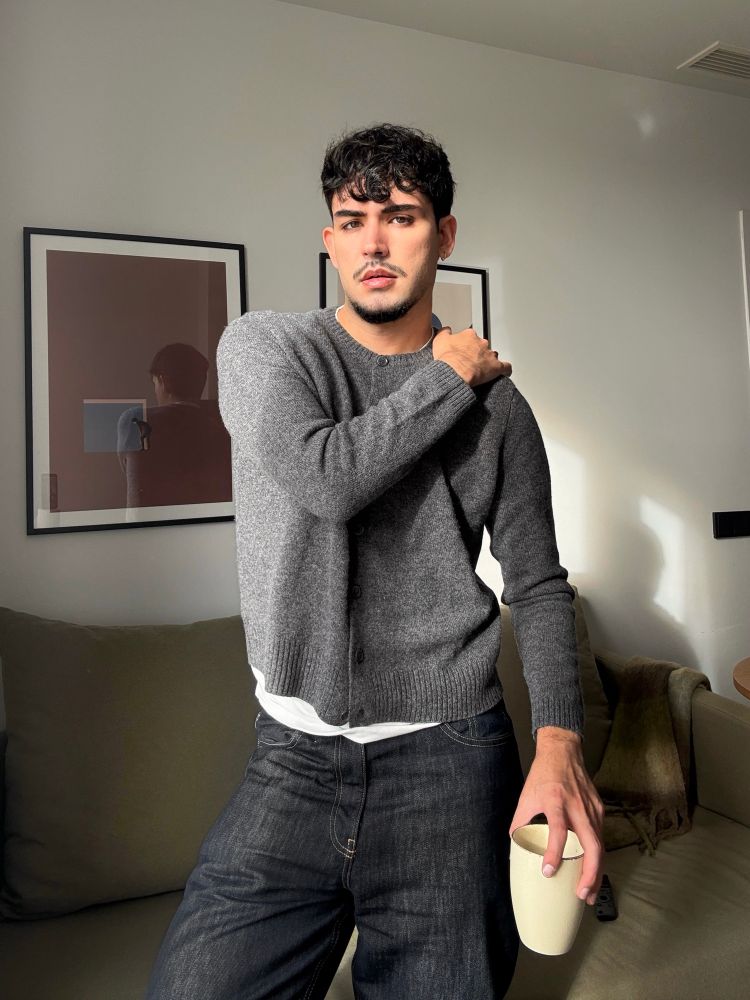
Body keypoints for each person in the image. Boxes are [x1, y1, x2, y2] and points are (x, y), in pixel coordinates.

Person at [145, 122, 604, 1000]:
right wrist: (449, 376)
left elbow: (539, 584)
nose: (376, 242)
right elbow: (329, 478)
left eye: (401, 215)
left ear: (446, 235)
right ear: (328, 240)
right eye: (353, 220)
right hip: (290, 762)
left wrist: (558, 739)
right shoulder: (267, 350)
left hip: (451, 764)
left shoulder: (501, 413)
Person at [116, 342, 231, 508]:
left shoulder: (136, 421)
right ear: (202, 381)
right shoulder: (224, 424)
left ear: (163, 382)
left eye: (155, 383)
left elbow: (129, 471)